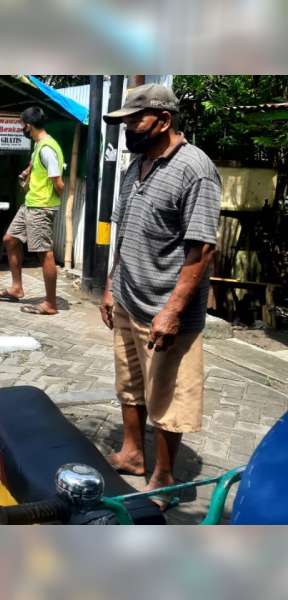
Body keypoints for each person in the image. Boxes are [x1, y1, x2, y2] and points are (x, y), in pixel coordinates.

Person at [99, 84, 221, 508]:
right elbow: (125, 230)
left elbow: (202, 247)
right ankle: (133, 454)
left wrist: (172, 310)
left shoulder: (195, 168)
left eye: (135, 120)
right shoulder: (137, 164)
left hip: (166, 311)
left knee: (167, 396)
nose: (127, 129)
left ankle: (164, 477)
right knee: (129, 385)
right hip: (129, 298)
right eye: (125, 122)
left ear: (163, 120)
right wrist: (112, 285)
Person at [0, 105, 65, 315]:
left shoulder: (48, 148)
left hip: (41, 206)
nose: (23, 128)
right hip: (30, 204)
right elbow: (36, 167)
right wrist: (28, 173)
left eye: (23, 125)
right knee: (10, 239)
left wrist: (51, 199)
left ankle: (50, 303)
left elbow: (58, 183)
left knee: (44, 254)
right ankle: (16, 288)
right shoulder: (39, 146)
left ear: (29, 126)